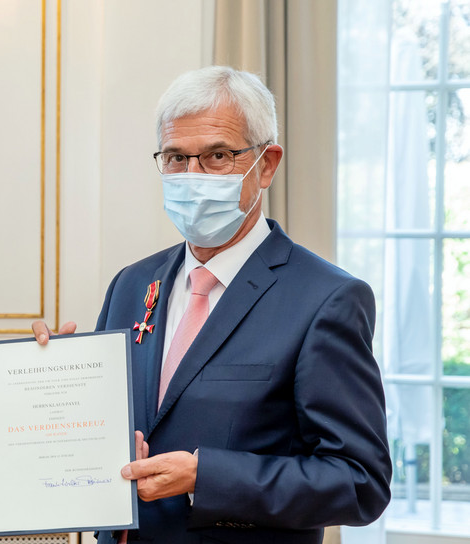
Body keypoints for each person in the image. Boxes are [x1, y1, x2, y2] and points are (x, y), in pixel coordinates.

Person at [33, 66, 391, 543]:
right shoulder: (131, 284)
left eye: (217, 156)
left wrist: (207, 478)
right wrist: (54, 381)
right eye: (176, 158)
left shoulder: (325, 299)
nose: (191, 176)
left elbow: (359, 483)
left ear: (266, 164)